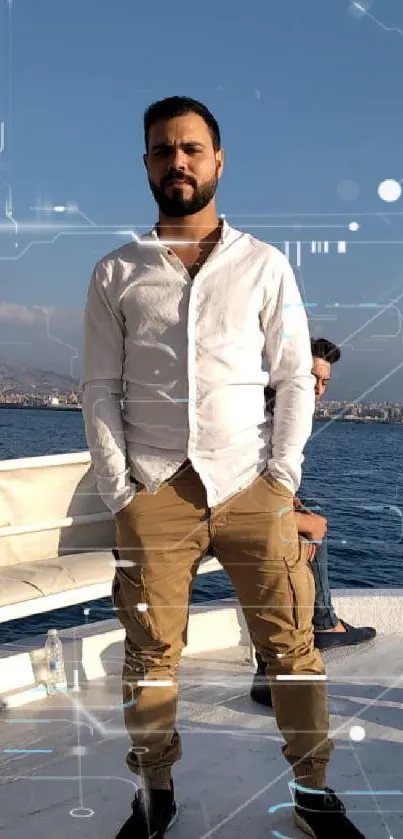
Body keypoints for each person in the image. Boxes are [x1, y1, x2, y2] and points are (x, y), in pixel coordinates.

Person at [81, 96, 366, 839]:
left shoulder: (263, 265)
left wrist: (280, 474)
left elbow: (293, 378)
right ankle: (154, 793)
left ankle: (312, 793)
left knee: (291, 645)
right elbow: (99, 389)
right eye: (161, 149)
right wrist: (122, 490)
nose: (177, 160)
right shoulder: (117, 271)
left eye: (191, 148)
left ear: (217, 160)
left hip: (250, 485)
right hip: (155, 488)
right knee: (149, 653)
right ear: (146, 163)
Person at [250, 338, 376, 708]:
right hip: (234, 515)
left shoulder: (277, 410)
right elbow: (243, 482)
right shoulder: (263, 415)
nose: (319, 390)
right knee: (308, 531)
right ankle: (284, 656)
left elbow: (265, 477)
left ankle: (322, 622)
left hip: (244, 507)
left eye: (324, 383)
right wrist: (295, 520)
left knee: (313, 518)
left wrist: (293, 506)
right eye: (312, 379)